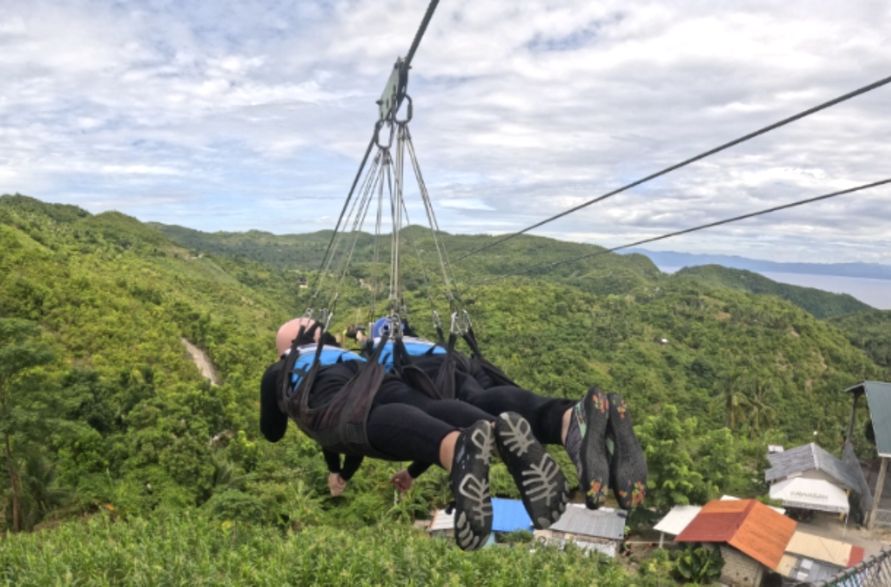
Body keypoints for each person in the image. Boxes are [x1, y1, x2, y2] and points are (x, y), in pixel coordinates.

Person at [260, 317, 569, 550]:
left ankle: (456, 451)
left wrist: (277, 389)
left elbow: (272, 432)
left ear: (286, 349)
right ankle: (494, 430)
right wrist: (342, 472)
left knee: (362, 420)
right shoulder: (349, 355)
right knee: (425, 408)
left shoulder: (283, 368)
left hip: (326, 389)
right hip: (374, 375)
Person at [353, 317, 647, 510]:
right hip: (456, 364)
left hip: (419, 374)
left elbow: (424, 425)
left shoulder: (379, 349)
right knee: (481, 397)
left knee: (435, 410)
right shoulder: (428, 343)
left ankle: (503, 435)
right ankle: (570, 418)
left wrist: (361, 341)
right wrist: (412, 472)